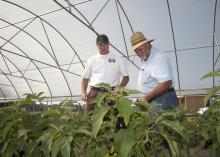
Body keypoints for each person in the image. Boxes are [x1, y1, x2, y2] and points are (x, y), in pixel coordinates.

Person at [130, 32, 179, 109]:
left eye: (140, 49)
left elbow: (166, 83)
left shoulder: (158, 58)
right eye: (136, 51)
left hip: (163, 99)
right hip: (156, 99)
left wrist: (146, 98)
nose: (139, 53)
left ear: (148, 44)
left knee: (157, 120)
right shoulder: (147, 57)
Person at [81, 34, 129, 111]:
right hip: (95, 92)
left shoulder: (117, 58)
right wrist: (84, 92)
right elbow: (85, 78)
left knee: (110, 117)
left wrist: (118, 89)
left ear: (108, 44)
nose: (103, 47)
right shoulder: (92, 60)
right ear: (97, 45)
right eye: (100, 44)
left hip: (111, 92)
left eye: (105, 44)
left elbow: (126, 77)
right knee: (91, 117)